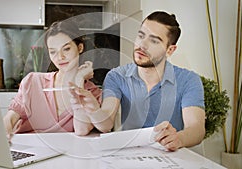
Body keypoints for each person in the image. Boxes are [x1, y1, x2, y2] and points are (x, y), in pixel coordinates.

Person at [69, 11, 206, 151]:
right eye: (141, 36)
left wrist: (179, 138)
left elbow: (196, 129)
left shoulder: (189, 80)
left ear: (170, 50)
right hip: (129, 157)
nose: (142, 45)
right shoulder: (116, 76)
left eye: (154, 41)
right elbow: (106, 124)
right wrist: (93, 110)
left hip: (170, 158)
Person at [3, 20, 102, 139]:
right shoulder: (33, 82)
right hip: (27, 149)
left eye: (66, 49)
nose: (60, 57)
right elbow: (11, 117)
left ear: (80, 48)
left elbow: (82, 130)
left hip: (64, 153)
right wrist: (4, 133)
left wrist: (79, 80)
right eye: (53, 52)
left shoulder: (93, 93)